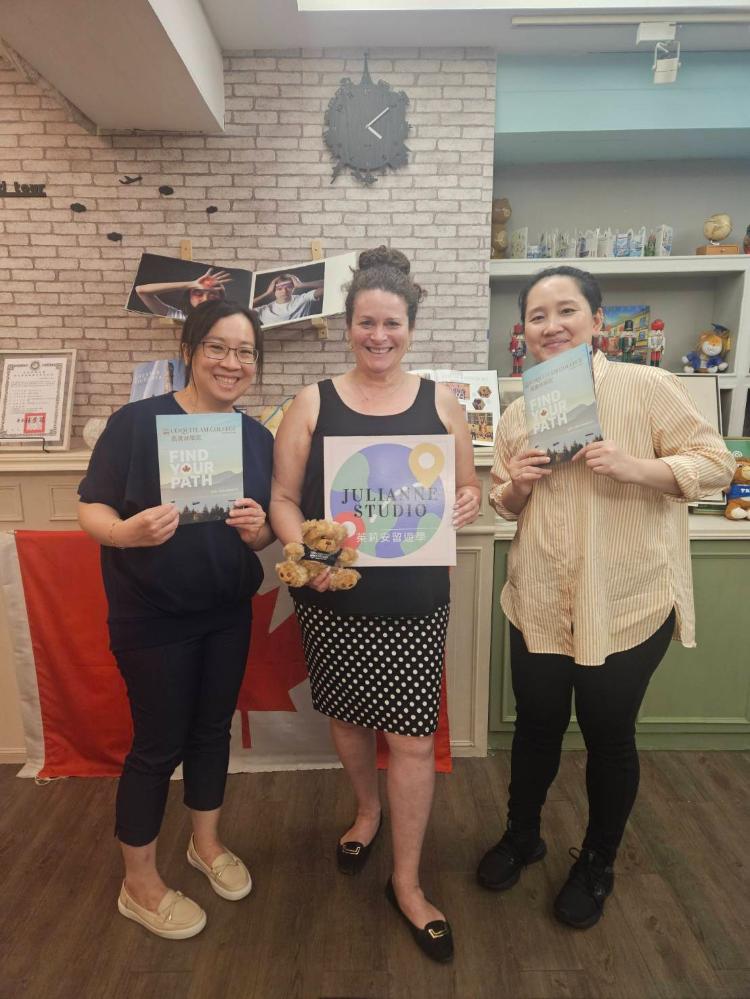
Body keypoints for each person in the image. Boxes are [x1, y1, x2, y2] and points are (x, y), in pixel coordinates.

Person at [476, 265, 735, 929]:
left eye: (566, 310)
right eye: (537, 315)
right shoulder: (519, 411)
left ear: (596, 320)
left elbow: (715, 463)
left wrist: (635, 467)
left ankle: (597, 861)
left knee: (609, 736)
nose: (551, 325)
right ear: (523, 332)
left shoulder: (647, 386)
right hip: (538, 600)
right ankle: (522, 835)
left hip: (625, 603)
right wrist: (519, 485)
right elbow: (503, 502)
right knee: (535, 727)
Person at [270, 246, 481, 963]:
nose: (378, 335)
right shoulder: (311, 402)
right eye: (366, 322)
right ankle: (366, 810)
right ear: (348, 327)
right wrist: (306, 552)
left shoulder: (441, 402)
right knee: (349, 717)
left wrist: (467, 500)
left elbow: (465, 489)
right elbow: (283, 499)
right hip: (333, 594)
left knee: (414, 738)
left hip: (416, 597)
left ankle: (407, 881)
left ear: (411, 328)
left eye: (392, 323)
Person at [78, 299, 274, 940]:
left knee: (212, 731)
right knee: (157, 744)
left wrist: (259, 529)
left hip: (226, 612)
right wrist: (125, 533)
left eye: (245, 352)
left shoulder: (255, 437)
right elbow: (92, 507)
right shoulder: (137, 423)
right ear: (189, 350)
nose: (231, 362)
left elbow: (264, 532)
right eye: (217, 347)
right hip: (152, 615)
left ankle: (205, 844)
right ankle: (137, 884)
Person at [135, 266, 231, 321]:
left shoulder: (229, 321)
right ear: (189, 297)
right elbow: (141, 291)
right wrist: (190, 284)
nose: (205, 299)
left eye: (212, 295)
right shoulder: (182, 318)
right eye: (198, 293)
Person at [253, 271, 324, 326]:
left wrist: (301, 284)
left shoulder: (303, 299)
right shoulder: (264, 310)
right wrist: (267, 293)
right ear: (273, 291)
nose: (284, 291)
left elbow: (328, 284)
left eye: (289, 287)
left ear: (293, 288)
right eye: (279, 289)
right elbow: (246, 307)